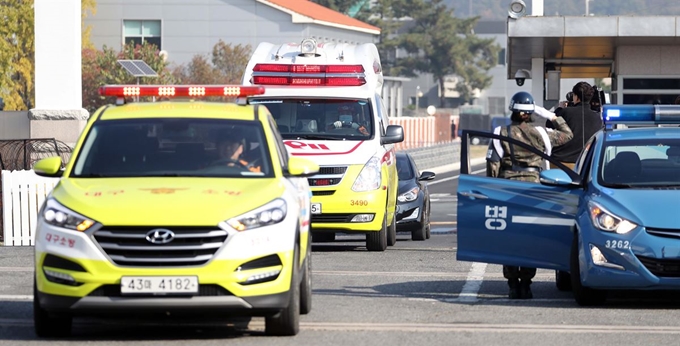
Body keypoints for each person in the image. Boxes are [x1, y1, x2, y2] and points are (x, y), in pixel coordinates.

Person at [486, 91, 574, 299]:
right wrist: (552, 115)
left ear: (512, 111)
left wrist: (491, 192)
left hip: (509, 191)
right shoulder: (542, 133)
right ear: (532, 112)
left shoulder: (501, 132)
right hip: (534, 191)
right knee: (528, 238)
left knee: (510, 238)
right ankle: (526, 283)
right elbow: (567, 134)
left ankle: (512, 284)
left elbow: (493, 166)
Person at [546, 81, 603, 169]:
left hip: (561, 162)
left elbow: (549, 124)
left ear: (576, 97)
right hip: (586, 165)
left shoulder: (566, 112)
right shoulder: (597, 117)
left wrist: (560, 108)